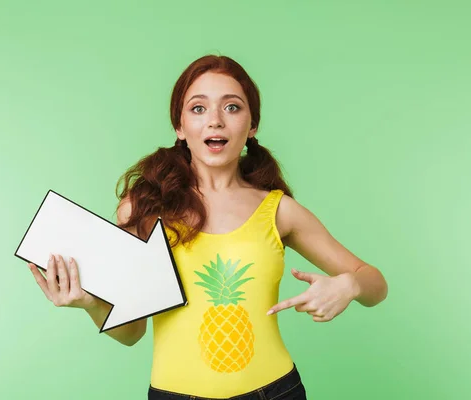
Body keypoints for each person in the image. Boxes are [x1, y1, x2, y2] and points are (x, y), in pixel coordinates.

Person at [28, 54, 389, 400]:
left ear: (252, 125)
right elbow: (131, 332)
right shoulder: (144, 209)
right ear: (180, 126)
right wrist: (90, 303)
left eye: (232, 107)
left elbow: (376, 285)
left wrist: (349, 285)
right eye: (198, 108)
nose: (215, 120)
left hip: (275, 393)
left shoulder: (280, 211)